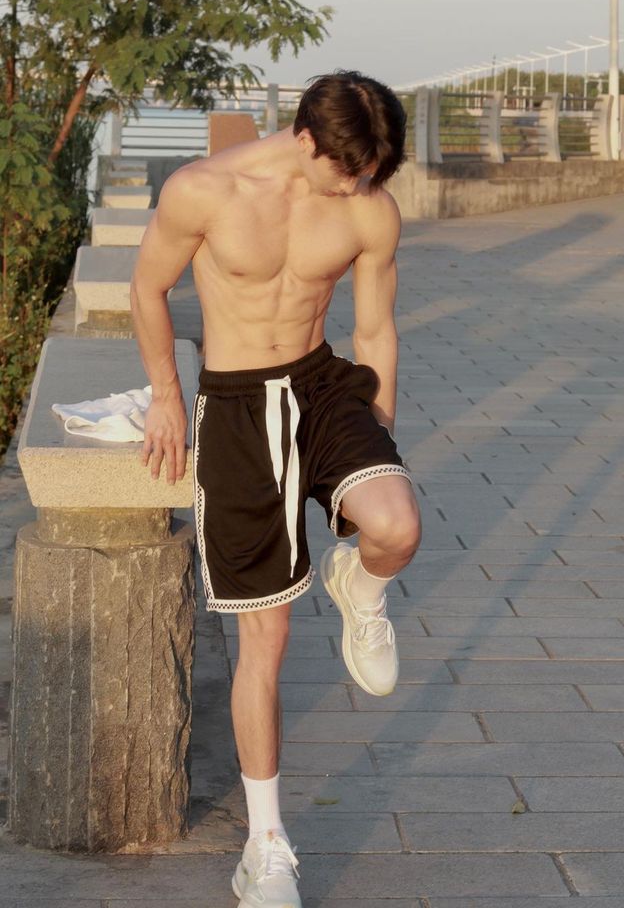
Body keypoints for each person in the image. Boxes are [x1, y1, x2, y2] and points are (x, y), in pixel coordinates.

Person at [130, 70, 422, 907]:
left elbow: (373, 327)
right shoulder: (204, 192)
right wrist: (164, 393)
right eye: (348, 169)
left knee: (397, 525)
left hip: (325, 386)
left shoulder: (367, 206)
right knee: (268, 644)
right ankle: (265, 847)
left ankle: (359, 586)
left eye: (373, 171)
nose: (360, 186)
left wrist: (380, 438)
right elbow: (147, 286)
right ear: (305, 139)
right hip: (234, 405)